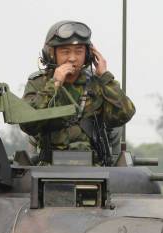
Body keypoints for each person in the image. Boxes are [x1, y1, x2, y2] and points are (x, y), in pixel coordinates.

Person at [20, 20, 135, 165]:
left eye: (79, 51)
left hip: (95, 171)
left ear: (89, 55)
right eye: (65, 51)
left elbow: (124, 114)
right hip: (49, 171)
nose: (72, 58)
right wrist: (53, 84)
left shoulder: (98, 84)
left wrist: (105, 76)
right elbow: (27, 124)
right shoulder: (39, 83)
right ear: (51, 53)